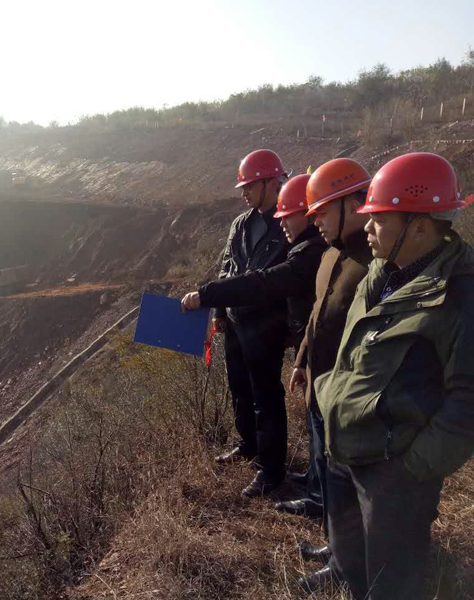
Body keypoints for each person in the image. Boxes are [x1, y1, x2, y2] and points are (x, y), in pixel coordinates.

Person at [308, 152, 474, 600]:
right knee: (354, 569)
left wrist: (411, 470)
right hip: (348, 446)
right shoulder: (382, 272)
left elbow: (467, 403)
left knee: (391, 585)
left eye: (379, 219)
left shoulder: (460, 295)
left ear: (419, 226)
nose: (366, 228)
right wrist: (330, 396)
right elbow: (353, 350)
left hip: (394, 472)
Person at [285, 158, 375, 592]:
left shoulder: (376, 262)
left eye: (321, 212)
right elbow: (318, 316)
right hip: (321, 389)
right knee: (328, 474)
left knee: (349, 486)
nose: (314, 220)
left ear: (352, 205)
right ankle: (337, 550)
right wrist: (301, 360)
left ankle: (348, 568)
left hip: (350, 398)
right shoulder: (331, 254)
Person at [188, 149, 291, 497]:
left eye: (249, 186)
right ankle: (248, 444)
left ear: (271, 182)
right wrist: (220, 313)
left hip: (266, 324)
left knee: (266, 395)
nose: (244, 192)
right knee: (240, 388)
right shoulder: (241, 224)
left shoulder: (287, 222)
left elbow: (279, 279)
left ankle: (271, 470)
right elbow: (227, 267)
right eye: (243, 187)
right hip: (235, 320)